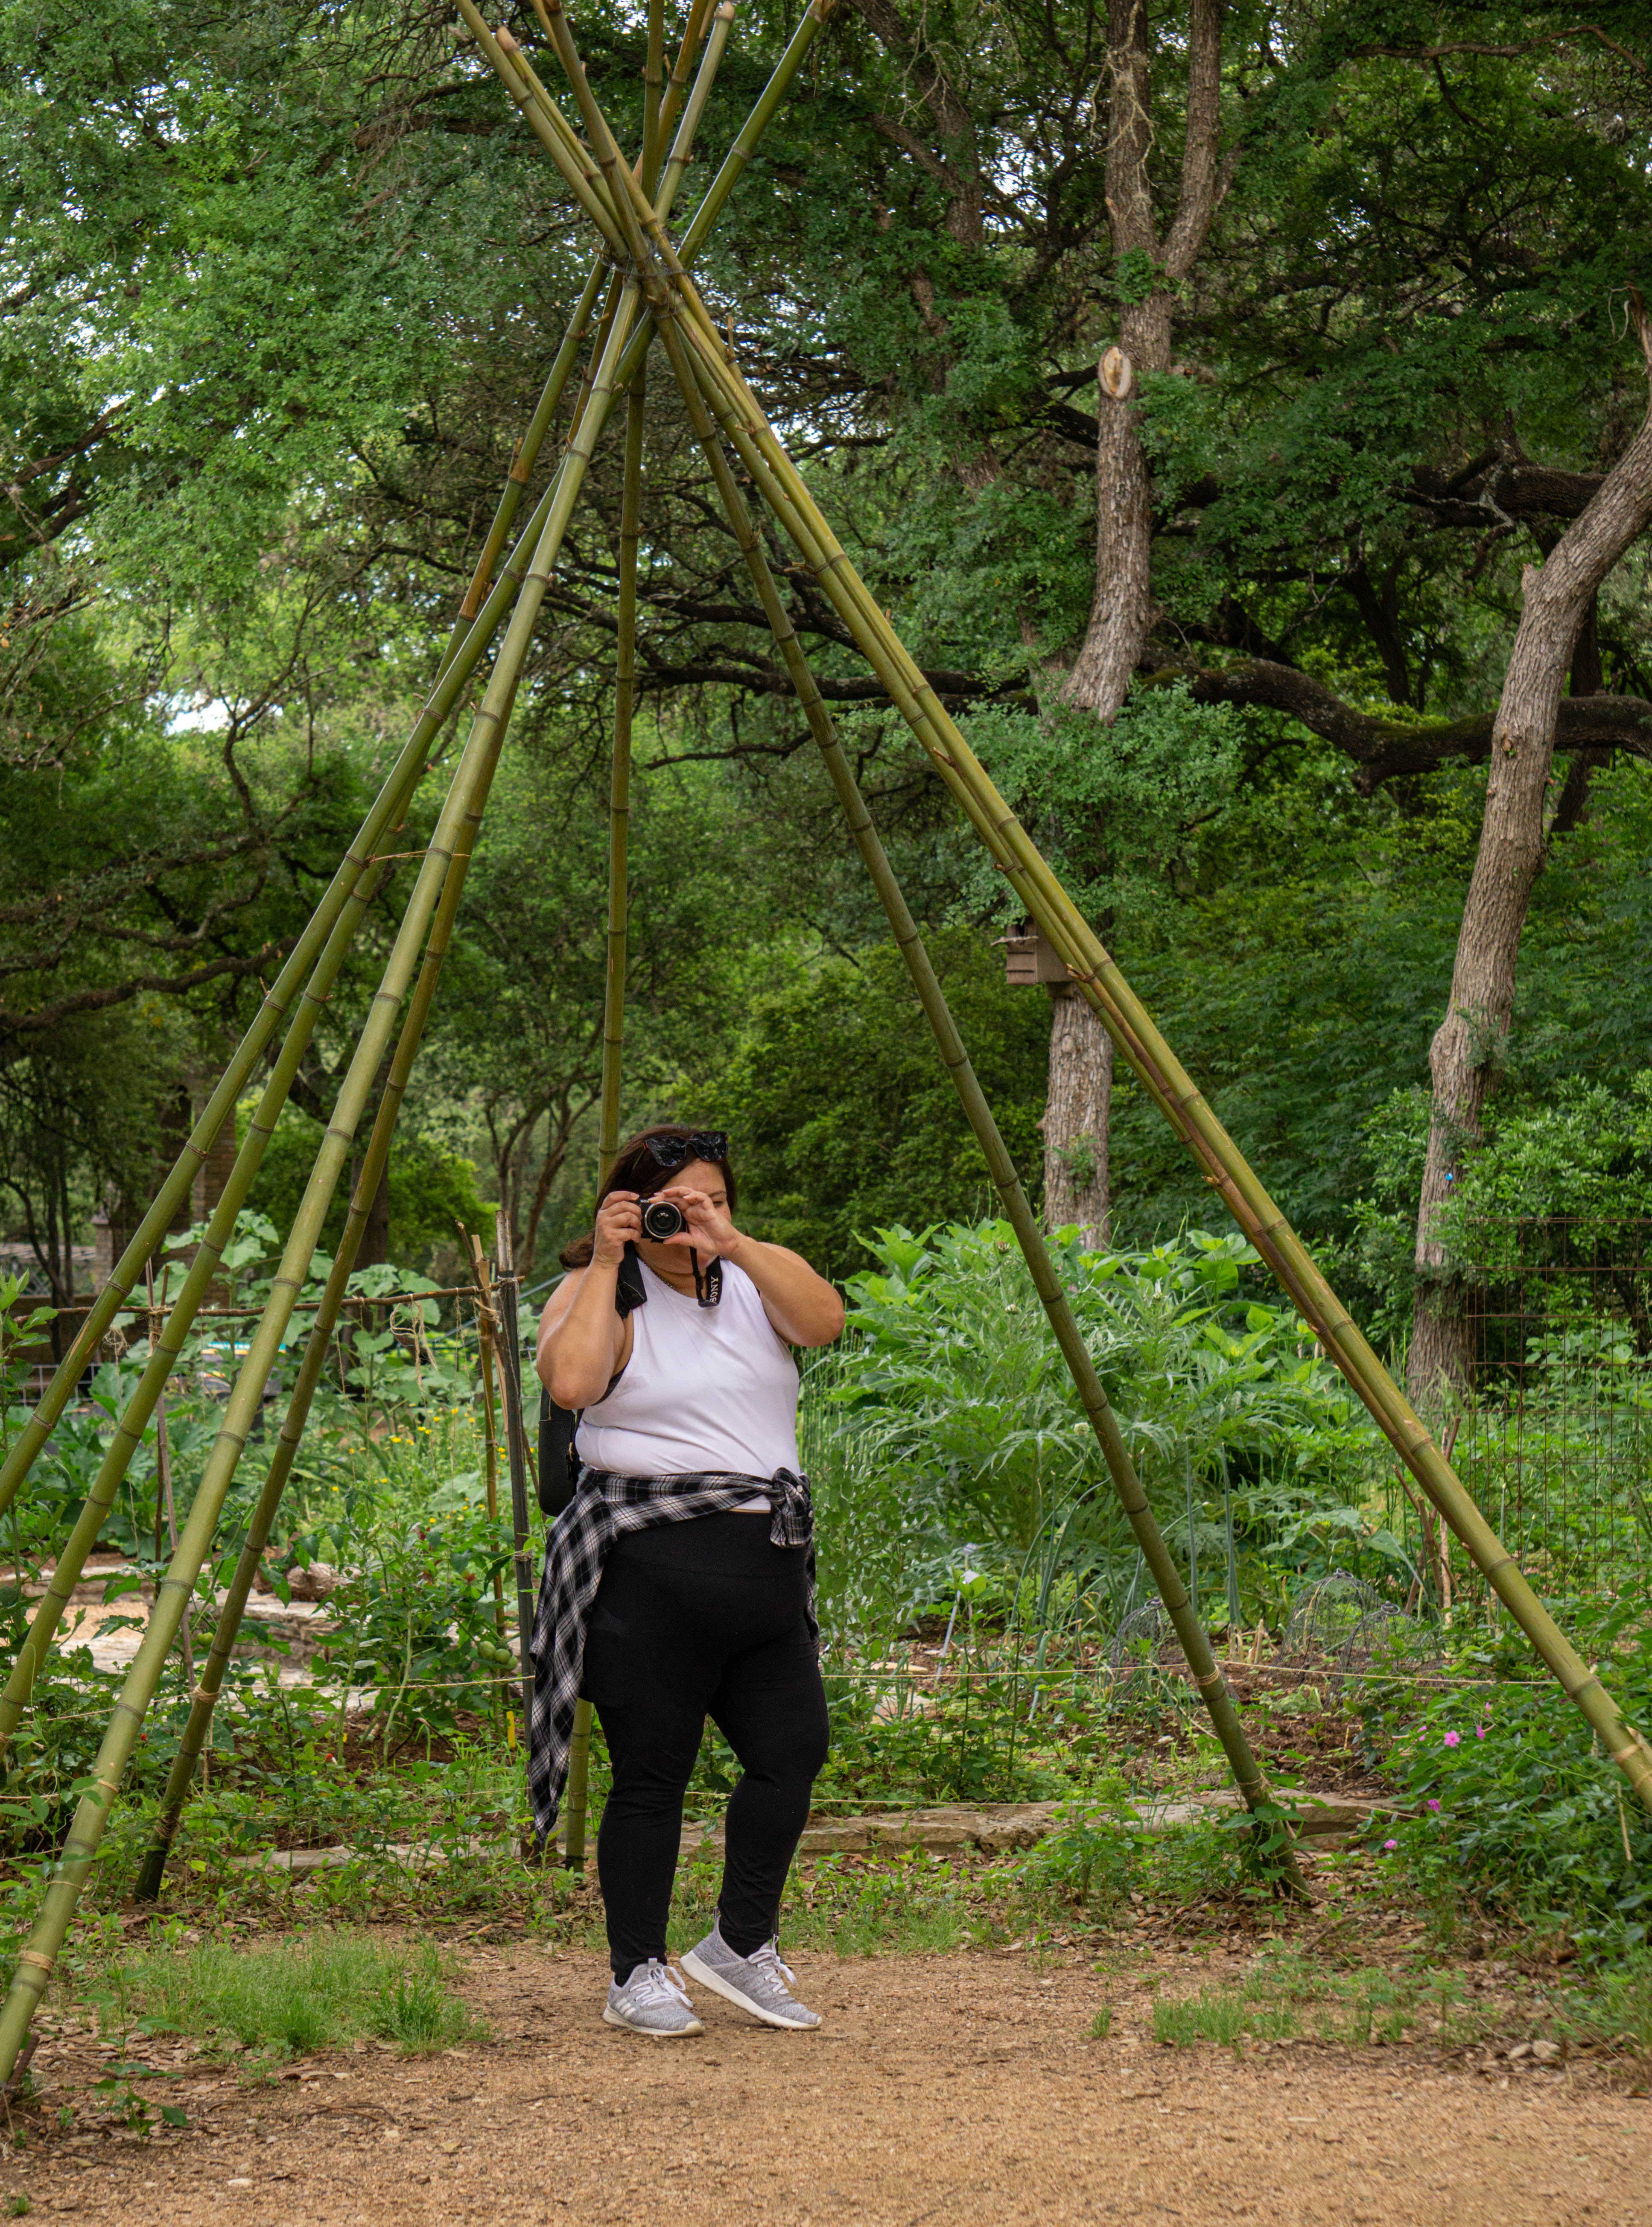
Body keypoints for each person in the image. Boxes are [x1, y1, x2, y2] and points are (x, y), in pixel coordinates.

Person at [531, 1124, 844, 2038]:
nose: (689, 1219)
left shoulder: (752, 1280)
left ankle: (740, 1942)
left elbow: (824, 1322)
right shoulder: (602, 1292)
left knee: (792, 1752)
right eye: (671, 1203)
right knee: (652, 1776)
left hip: (765, 1568)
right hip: (647, 1575)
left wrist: (733, 1240)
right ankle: (636, 1969)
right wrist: (605, 1258)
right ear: (632, 1206)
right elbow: (574, 1384)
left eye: (710, 1199)